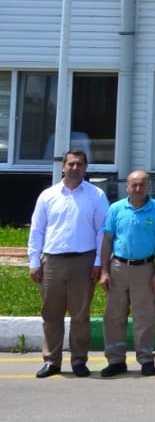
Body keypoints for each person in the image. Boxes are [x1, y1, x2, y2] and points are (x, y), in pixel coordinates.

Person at [29, 150, 109, 379]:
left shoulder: (96, 195)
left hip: (83, 261)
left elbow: (102, 231)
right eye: (71, 164)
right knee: (51, 314)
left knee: (80, 315)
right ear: (63, 166)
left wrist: (98, 262)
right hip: (52, 261)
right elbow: (37, 229)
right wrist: (34, 261)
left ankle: (79, 360)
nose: (75, 168)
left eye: (79, 164)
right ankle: (51, 361)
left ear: (85, 167)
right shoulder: (48, 195)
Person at [98, 170, 155, 378]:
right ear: (127, 187)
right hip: (118, 267)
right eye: (134, 185)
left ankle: (146, 359)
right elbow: (107, 240)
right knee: (114, 316)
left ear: (148, 187)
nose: (138, 189)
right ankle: (116, 360)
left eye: (142, 185)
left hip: (145, 269)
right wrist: (104, 271)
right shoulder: (116, 208)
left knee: (145, 316)